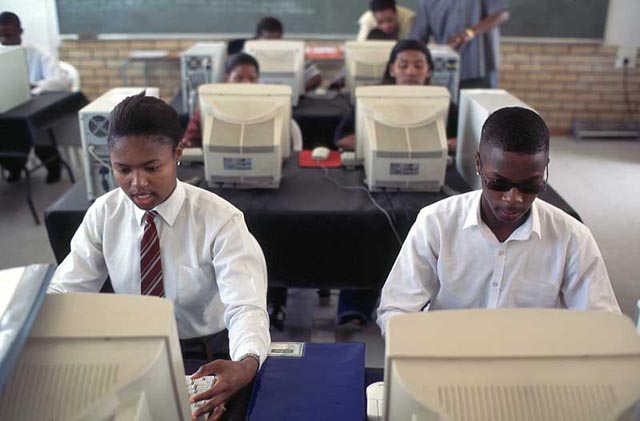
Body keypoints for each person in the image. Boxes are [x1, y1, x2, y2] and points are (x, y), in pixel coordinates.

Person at [47, 92, 270, 420]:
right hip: (132, 350)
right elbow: (66, 290)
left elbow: (245, 307)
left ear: (177, 153)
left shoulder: (220, 220)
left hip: (205, 354)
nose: (137, 183)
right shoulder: (104, 213)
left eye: (152, 167)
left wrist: (247, 361)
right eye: (123, 169)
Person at [377, 106, 621, 335]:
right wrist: (421, 351)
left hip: (532, 368)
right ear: (478, 164)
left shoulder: (571, 237)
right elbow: (396, 309)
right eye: (499, 183)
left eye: (530, 185)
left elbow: (601, 325)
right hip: (449, 359)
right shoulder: (436, 223)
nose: (512, 198)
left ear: (545, 169)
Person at [334, 39, 461, 327]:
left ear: (429, 70)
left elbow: (461, 139)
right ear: (392, 68)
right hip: (377, 179)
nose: (411, 71)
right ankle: (355, 303)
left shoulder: (442, 101)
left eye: (418, 65)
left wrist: (435, 142)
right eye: (404, 64)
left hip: (428, 179)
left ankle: (420, 305)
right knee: (361, 226)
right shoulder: (373, 97)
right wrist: (376, 140)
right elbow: (342, 137)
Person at [0, 11, 71, 183]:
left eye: (8, 34)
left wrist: (35, 86)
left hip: (34, 105)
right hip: (8, 108)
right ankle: (14, 165)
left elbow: (61, 80)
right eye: (0, 35)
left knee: (37, 128)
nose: (4, 39)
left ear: (20, 31)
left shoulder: (37, 53)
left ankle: (53, 166)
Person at [410, 0, 509, 88]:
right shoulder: (426, 2)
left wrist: (468, 33)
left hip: (480, 67)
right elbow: (418, 37)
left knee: (482, 106)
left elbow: (500, 14)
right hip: (445, 70)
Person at [182, 52, 260, 147]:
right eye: (238, 79)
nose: (246, 84)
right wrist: (189, 143)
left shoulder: (270, 104)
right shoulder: (209, 102)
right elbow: (191, 140)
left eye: (252, 79)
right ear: (227, 79)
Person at [227, 16, 322, 92]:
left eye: (276, 42)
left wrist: (298, 91)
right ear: (257, 38)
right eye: (267, 42)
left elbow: (316, 77)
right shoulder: (245, 54)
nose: (272, 46)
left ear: (281, 38)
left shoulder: (294, 52)